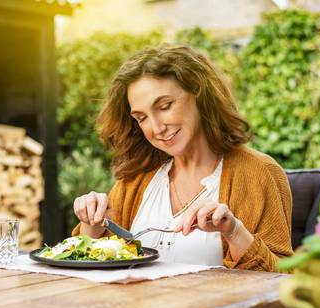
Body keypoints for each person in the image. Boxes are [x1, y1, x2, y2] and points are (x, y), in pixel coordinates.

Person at [72, 45, 293, 272]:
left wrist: (234, 231)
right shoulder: (135, 179)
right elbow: (96, 267)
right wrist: (92, 226)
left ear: (199, 93)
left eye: (165, 106)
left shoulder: (259, 173)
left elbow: (283, 281)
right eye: (141, 117)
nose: (156, 128)